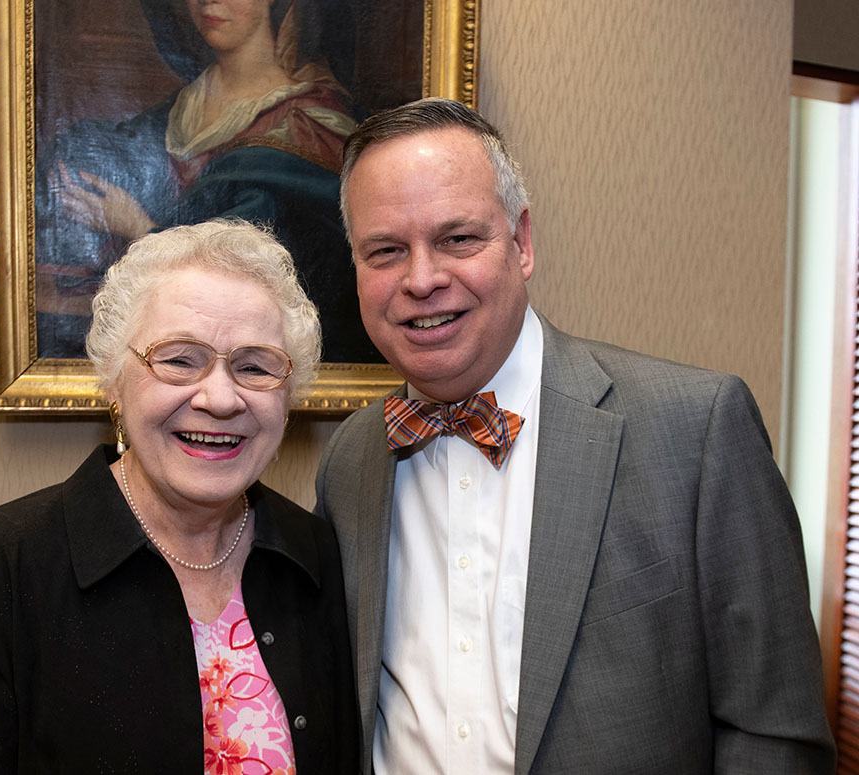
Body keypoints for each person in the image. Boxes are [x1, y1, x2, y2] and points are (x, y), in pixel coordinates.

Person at [315, 98, 836, 774]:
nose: (422, 279)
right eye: (386, 251)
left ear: (522, 243)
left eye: (458, 239)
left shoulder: (696, 429)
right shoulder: (349, 460)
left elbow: (776, 734)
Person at [0, 220, 358, 773]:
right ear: (114, 379)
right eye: (179, 360)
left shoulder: (318, 554)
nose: (221, 398)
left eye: (255, 367)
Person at [35, 0, 379, 364]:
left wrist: (137, 227)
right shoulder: (177, 110)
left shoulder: (311, 126)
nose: (207, 1)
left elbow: (260, 273)